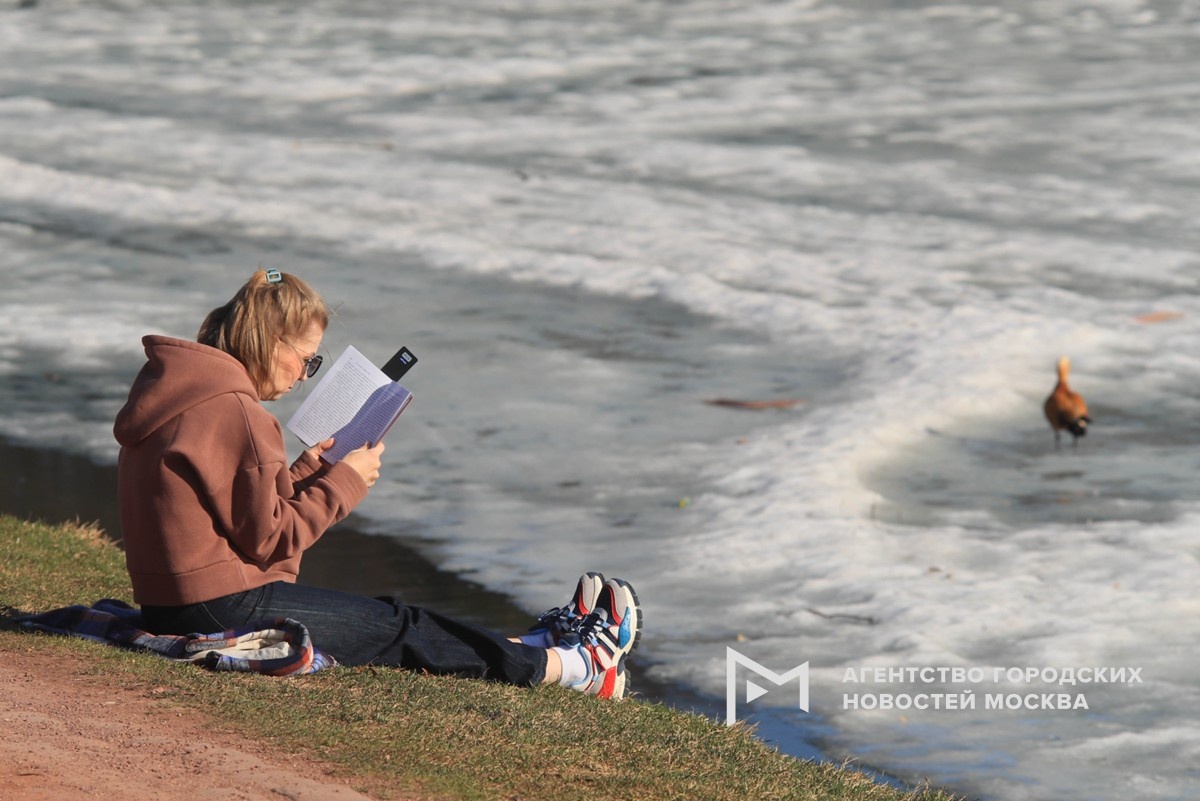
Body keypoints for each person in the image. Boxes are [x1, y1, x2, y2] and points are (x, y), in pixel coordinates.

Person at [113, 268, 641, 699]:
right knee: (398, 625)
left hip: (171, 604)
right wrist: (345, 481)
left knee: (386, 621)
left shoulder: (181, 393)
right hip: (220, 607)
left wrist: (309, 471)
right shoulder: (237, 413)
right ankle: (577, 668)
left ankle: (537, 644)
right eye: (306, 359)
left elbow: (237, 516)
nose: (304, 375)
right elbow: (271, 538)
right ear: (271, 341)